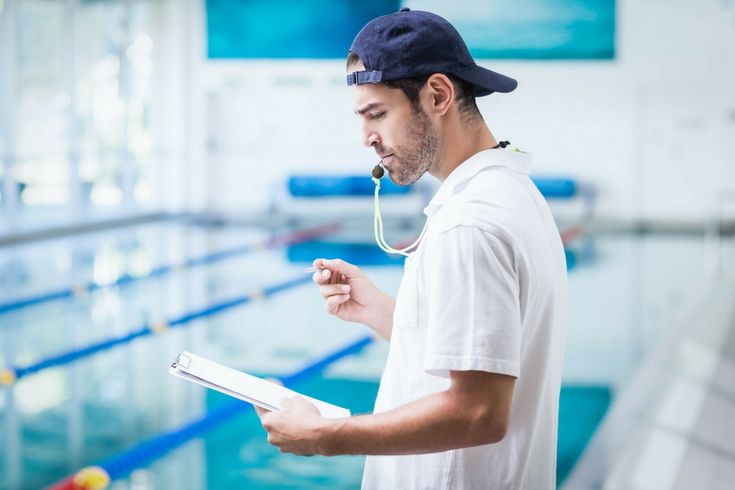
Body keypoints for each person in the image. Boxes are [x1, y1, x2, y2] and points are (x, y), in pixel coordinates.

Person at [256, 8, 568, 489]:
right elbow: (484, 353)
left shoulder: (468, 224)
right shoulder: (512, 193)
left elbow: (479, 412)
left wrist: (325, 435)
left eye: (376, 114)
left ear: (438, 94)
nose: (366, 138)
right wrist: (383, 312)